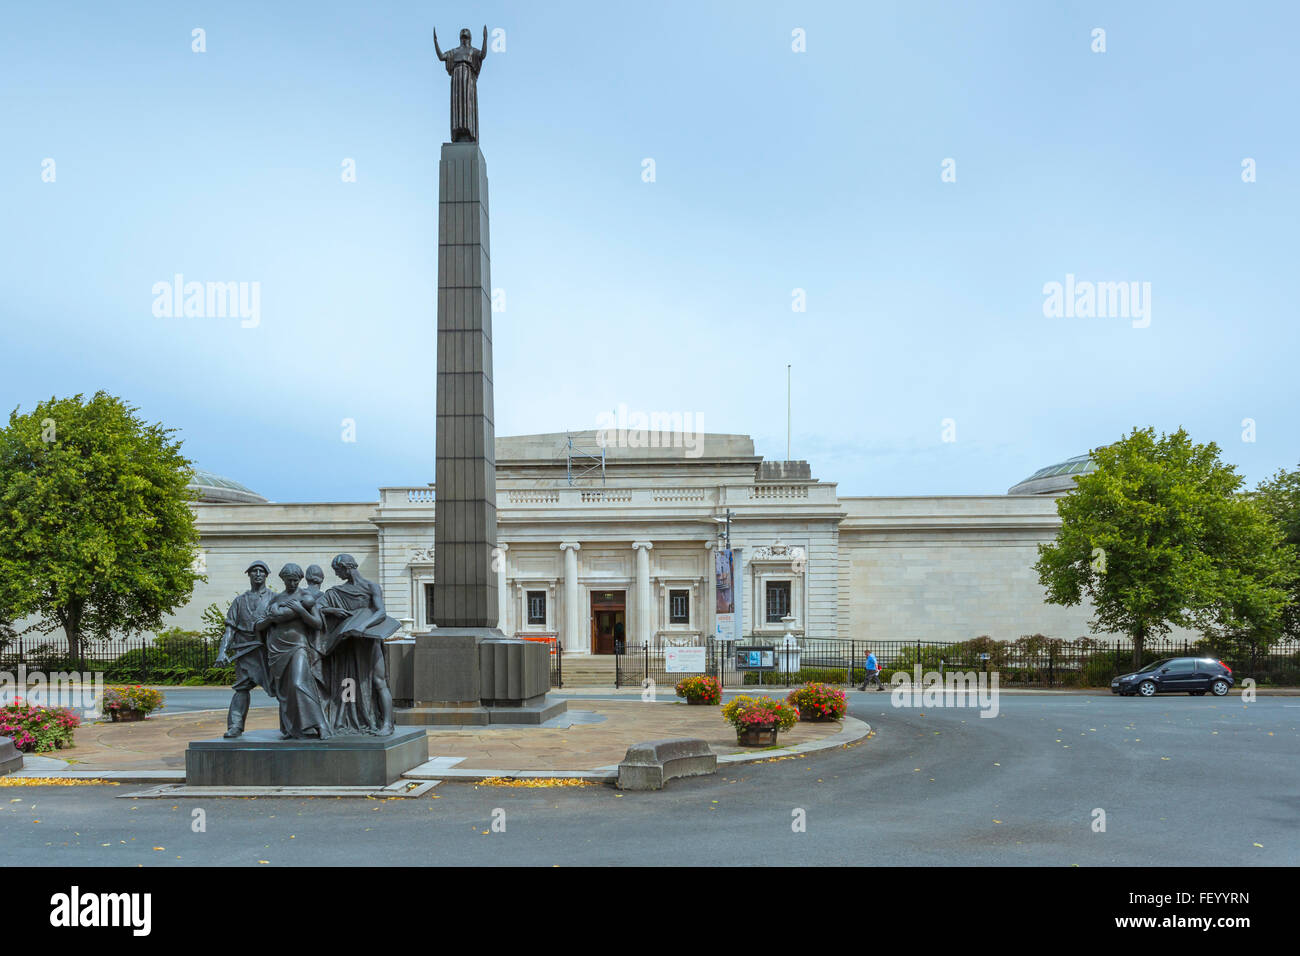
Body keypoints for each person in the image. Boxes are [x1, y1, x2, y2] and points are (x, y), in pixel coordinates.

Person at [317, 554, 398, 735]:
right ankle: (349, 718)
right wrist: (333, 610)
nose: (337, 575)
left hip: (369, 641)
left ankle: (386, 724)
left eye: (337, 570)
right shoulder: (336, 592)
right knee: (348, 681)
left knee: (379, 681)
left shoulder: (371, 587)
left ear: (346, 567)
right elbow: (318, 607)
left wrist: (363, 625)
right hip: (348, 644)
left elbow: (381, 612)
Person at [256, 564, 332, 740]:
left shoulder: (305, 597)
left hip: (297, 645)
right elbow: (259, 625)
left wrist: (299, 611)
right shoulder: (276, 599)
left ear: (301, 579)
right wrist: (270, 618)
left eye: (295, 580)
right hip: (276, 649)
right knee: (285, 691)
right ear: (283, 579)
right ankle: (292, 729)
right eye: (289, 580)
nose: (292, 583)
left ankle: (321, 726)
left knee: (299, 683)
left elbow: (317, 623)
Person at [215, 561, 278, 738]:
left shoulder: (274, 598)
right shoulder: (239, 601)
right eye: (254, 571)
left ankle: (290, 727)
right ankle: (235, 726)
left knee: (281, 690)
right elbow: (230, 630)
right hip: (244, 653)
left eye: (261, 571)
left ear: (266, 575)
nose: (258, 574)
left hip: (266, 653)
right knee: (241, 689)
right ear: (249, 575)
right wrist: (222, 652)